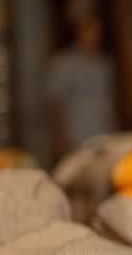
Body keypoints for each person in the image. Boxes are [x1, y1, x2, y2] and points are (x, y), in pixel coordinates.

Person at [46, 17, 116, 160]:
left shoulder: (104, 64)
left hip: (103, 135)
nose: (94, 36)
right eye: (89, 30)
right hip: (76, 137)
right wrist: (60, 138)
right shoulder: (64, 64)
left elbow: (108, 100)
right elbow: (56, 103)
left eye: (97, 31)